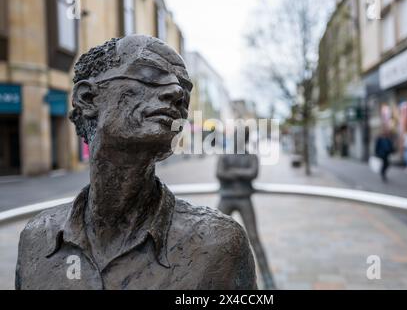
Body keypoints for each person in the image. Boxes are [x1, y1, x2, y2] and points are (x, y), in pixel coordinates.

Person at [16, 36, 257, 290]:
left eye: (185, 93)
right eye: (149, 75)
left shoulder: (220, 246)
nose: (176, 93)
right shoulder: (36, 240)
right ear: (88, 98)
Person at [217, 128, 276, 290]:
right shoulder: (225, 156)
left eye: (243, 138)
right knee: (212, 235)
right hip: (226, 199)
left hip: (244, 199)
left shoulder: (251, 157)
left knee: (254, 238)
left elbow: (253, 173)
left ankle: (269, 281)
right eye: (238, 137)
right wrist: (241, 174)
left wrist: (233, 172)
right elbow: (220, 173)